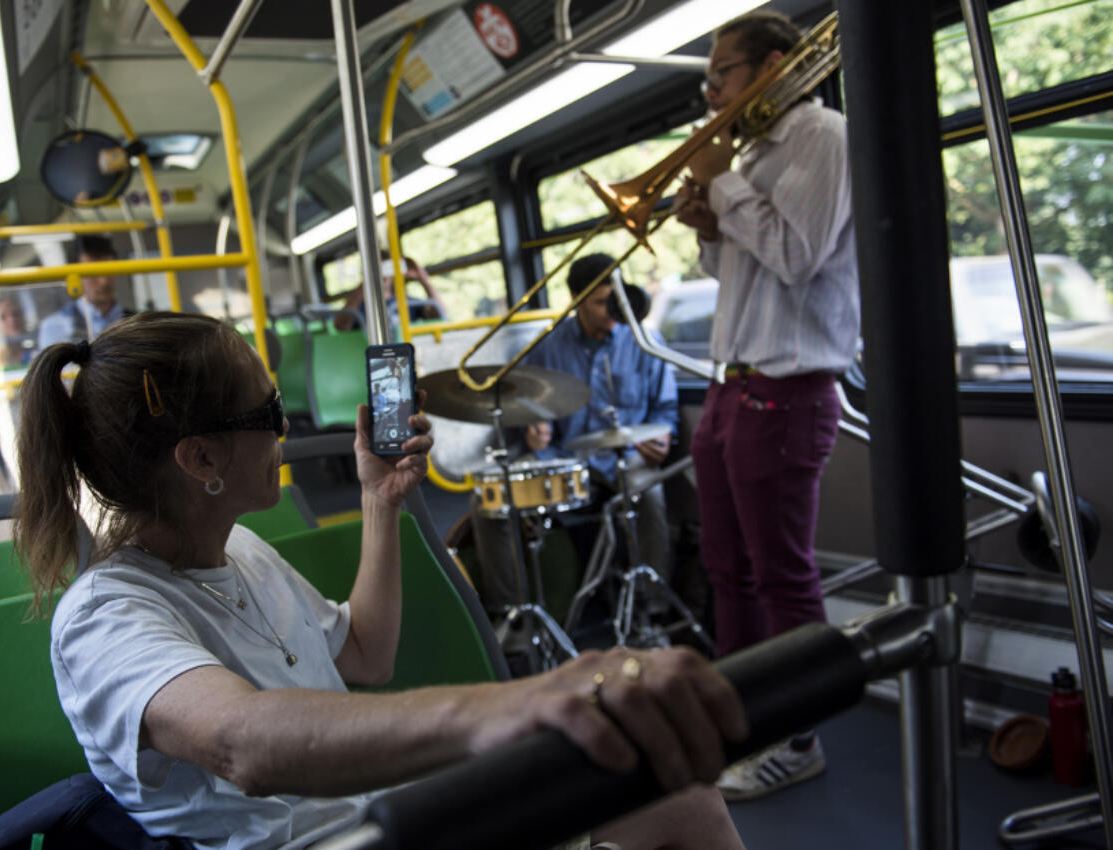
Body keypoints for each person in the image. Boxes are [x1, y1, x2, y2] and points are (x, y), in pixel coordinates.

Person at [12, 311, 748, 850]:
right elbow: (243, 744)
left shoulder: (241, 551)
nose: (284, 431)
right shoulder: (104, 618)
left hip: (394, 815)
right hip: (329, 841)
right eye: (267, 412)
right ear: (201, 460)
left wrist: (378, 501)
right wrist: (511, 707)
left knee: (681, 798)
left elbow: (366, 656)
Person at [674, 10, 860, 802]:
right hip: (731, 386)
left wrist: (721, 181)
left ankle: (800, 734)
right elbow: (741, 273)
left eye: (722, 72)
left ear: (774, 65)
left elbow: (794, 255)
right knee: (727, 569)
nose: (712, 88)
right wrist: (708, 227)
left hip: (786, 391)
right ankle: (742, 717)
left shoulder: (822, 138)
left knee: (782, 577)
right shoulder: (749, 152)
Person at [471, 253, 680, 620]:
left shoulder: (646, 341)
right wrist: (531, 432)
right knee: (490, 502)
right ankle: (512, 614)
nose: (611, 310)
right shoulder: (547, 348)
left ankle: (654, 608)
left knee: (651, 497)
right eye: (601, 302)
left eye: (615, 299)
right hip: (564, 457)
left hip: (626, 456)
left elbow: (664, 412)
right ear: (576, 301)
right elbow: (526, 409)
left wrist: (663, 437)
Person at [37, 235, 129, 349]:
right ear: (75, 276)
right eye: (92, 273)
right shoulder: (55, 327)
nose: (103, 281)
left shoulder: (137, 322)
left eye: (109, 271)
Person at [333, 255, 447, 333]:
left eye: (387, 269)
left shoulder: (407, 302)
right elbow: (340, 326)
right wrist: (364, 285)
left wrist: (423, 280)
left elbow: (440, 316)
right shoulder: (361, 306)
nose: (383, 276)